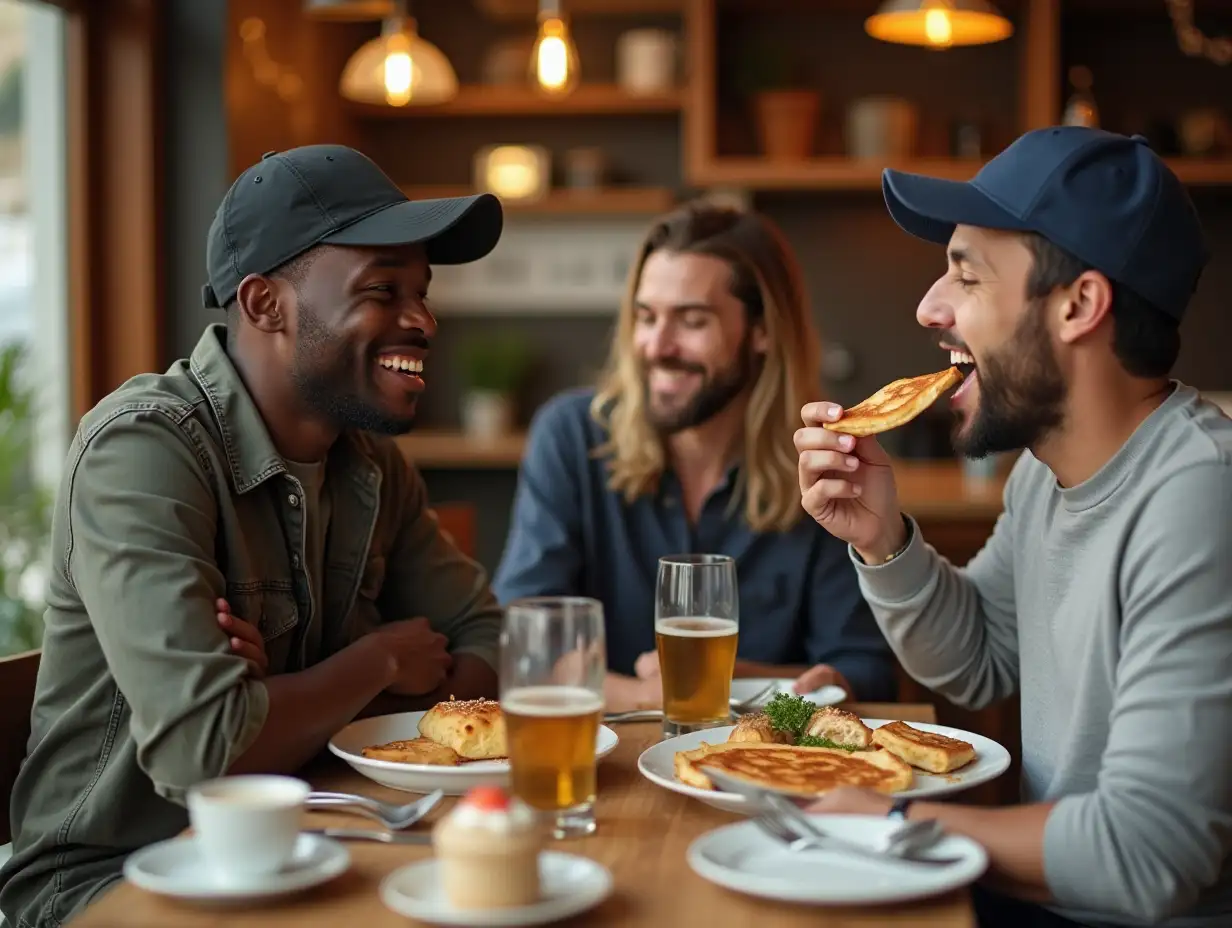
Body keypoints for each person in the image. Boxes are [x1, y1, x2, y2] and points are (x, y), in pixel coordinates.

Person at [0, 145, 508, 928]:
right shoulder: (143, 451)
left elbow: (485, 647)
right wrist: (376, 662)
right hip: (112, 884)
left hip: (306, 845)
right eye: (384, 291)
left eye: (422, 292)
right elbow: (206, 753)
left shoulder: (372, 465)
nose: (423, 320)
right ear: (266, 303)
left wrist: (280, 706)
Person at [795, 126, 1232, 927]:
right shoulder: (1044, 472)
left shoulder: (1199, 498)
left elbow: (1151, 855)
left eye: (966, 275)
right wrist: (882, 538)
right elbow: (979, 660)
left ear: (1078, 305)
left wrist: (894, 823)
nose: (931, 306)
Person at [493, 200, 897, 712]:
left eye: (692, 320)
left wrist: (729, 676)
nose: (658, 346)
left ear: (762, 331)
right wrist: (650, 695)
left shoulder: (820, 464)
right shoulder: (571, 437)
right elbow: (524, 636)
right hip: (603, 761)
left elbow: (864, 669)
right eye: (646, 317)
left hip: (763, 770)